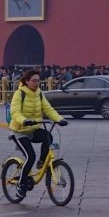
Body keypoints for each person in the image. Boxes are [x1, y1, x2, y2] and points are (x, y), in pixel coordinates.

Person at [9, 68, 67, 200]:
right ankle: (21, 186)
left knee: (49, 136)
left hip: (33, 129)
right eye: (34, 81)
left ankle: (42, 162)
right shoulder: (19, 94)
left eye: (38, 81)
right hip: (20, 131)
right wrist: (24, 121)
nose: (36, 83)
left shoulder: (39, 94)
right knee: (30, 156)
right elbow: (15, 112)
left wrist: (59, 119)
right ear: (27, 81)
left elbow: (48, 108)